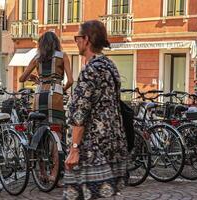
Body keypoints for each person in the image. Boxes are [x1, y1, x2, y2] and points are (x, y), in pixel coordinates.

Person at [63, 20, 128, 200]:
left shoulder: (90, 70)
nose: (76, 41)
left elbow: (80, 113)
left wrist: (74, 148)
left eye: (77, 37)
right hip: (114, 143)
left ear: (87, 40)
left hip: (92, 148)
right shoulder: (110, 66)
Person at [19, 31, 74, 183]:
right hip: (55, 96)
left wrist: (34, 78)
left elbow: (22, 78)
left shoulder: (37, 58)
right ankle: (54, 175)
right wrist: (61, 90)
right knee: (57, 136)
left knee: (40, 134)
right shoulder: (63, 56)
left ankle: (42, 173)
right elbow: (70, 81)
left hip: (39, 96)